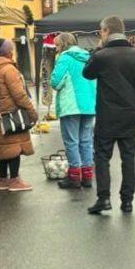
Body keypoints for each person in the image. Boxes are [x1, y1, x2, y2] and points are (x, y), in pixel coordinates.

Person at [83, 16, 135, 214]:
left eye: (101, 31)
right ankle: (127, 201)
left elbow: (87, 73)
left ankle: (104, 199)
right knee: (128, 157)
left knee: (102, 157)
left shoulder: (102, 56)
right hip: (129, 116)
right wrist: (132, 104)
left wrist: (96, 49)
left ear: (106, 31)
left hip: (107, 115)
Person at [0, 38, 38, 193]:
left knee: (3, 148)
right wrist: (31, 112)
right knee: (14, 146)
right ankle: (14, 180)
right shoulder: (8, 69)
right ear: (7, 52)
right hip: (12, 114)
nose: (13, 52)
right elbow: (19, 95)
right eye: (11, 49)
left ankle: (3, 180)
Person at [49, 32, 97, 190]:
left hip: (71, 105)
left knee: (71, 142)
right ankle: (88, 176)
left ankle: (74, 177)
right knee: (86, 141)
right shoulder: (88, 57)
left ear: (63, 44)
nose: (56, 49)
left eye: (57, 45)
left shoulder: (65, 57)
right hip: (89, 104)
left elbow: (55, 82)